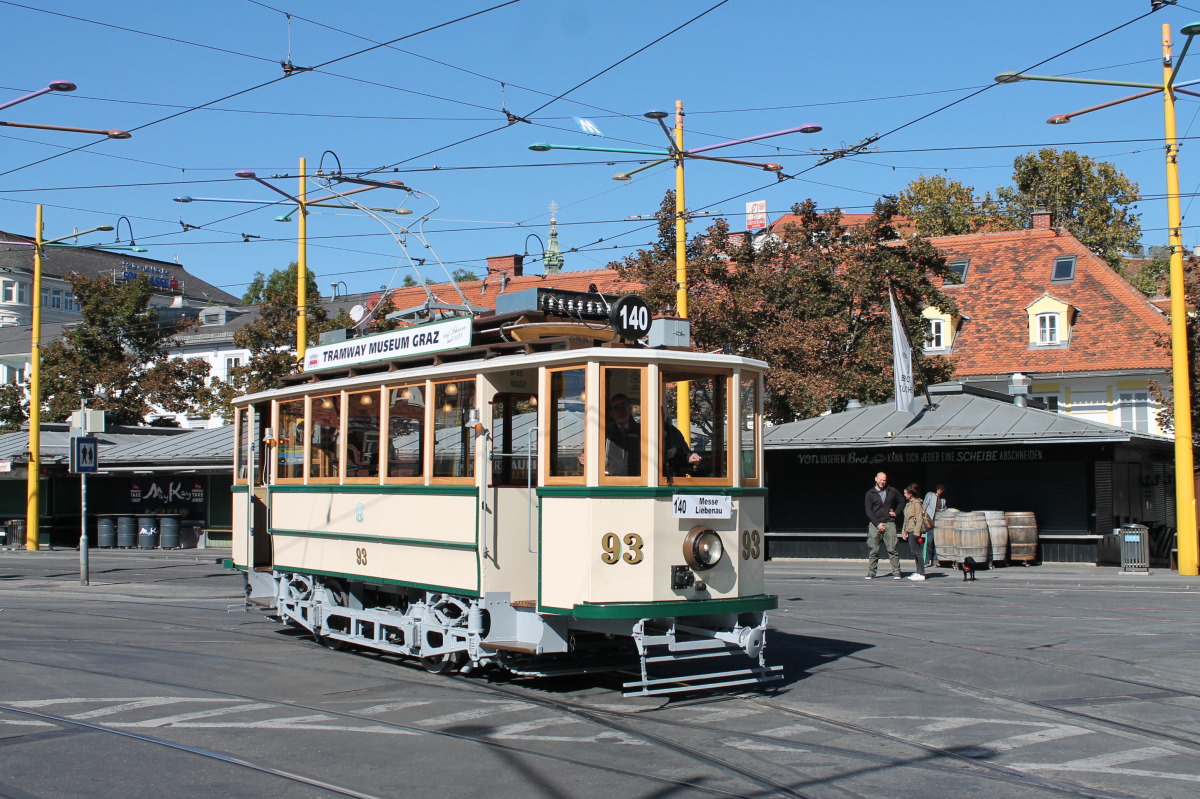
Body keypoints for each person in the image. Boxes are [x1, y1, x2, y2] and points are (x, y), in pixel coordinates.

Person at [864, 471, 905, 579]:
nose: (882, 482)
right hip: (874, 523)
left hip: (889, 523)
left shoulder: (892, 490)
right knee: (873, 549)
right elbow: (868, 511)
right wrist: (877, 524)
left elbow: (901, 501)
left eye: (884, 480)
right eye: (881, 479)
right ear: (876, 479)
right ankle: (871, 572)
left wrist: (896, 512)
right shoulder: (870, 493)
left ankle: (896, 572)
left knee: (892, 548)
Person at [604, 393, 641, 476]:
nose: (621, 411)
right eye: (617, 408)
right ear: (611, 412)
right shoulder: (603, 432)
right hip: (608, 481)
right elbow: (588, 455)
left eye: (625, 406)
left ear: (630, 410)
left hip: (637, 481)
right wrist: (583, 458)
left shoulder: (642, 431)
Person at [900, 483, 927, 581]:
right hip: (909, 530)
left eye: (905, 493)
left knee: (917, 552)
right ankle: (918, 571)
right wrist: (904, 531)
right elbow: (906, 519)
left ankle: (921, 573)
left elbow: (919, 519)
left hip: (914, 531)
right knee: (914, 552)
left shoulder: (916, 503)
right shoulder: (909, 504)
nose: (904, 495)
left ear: (910, 493)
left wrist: (917, 533)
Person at [922, 483, 947, 565]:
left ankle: (935, 559)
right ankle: (926, 560)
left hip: (937, 522)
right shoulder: (930, 495)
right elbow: (924, 506)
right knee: (928, 541)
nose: (940, 491)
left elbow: (943, 509)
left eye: (941, 490)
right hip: (929, 521)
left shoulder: (943, 500)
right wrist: (924, 516)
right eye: (939, 489)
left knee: (937, 541)